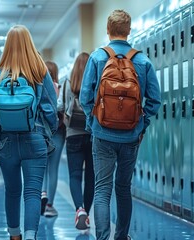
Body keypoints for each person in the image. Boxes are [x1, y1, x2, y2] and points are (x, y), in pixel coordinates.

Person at [79, 10, 161, 240]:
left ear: (108, 30)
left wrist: (93, 122)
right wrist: (141, 125)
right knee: (123, 189)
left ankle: (103, 237)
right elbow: (155, 99)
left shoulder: (97, 57)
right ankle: (122, 236)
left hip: (102, 135)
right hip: (130, 137)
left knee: (102, 189)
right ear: (129, 30)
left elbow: (85, 97)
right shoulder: (142, 60)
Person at [0, 25, 58, 240]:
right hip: (35, 139)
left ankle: (14, 235)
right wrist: (47, 134)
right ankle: (31, 235)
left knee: (12, 191)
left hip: (6, 142)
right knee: (33, 192)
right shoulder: (39, 71)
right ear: (29, 44)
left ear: (7, 47)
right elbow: (50, 108)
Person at [58, 53, 94, 230]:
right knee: (90, 177)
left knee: (74, 175)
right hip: (93, 135)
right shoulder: (95, 82)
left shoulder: (67, 83)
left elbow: (61, 107)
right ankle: (86, 211)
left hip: (72, 134)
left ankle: (79, 209)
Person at [40, 61, 65, 218]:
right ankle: (49, 205)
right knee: (53, 169)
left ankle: (42, 193)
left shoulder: (39, 88)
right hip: (58, 132)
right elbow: (62, 107)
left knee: (41, 167)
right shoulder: (60, 88)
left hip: (42, 132)